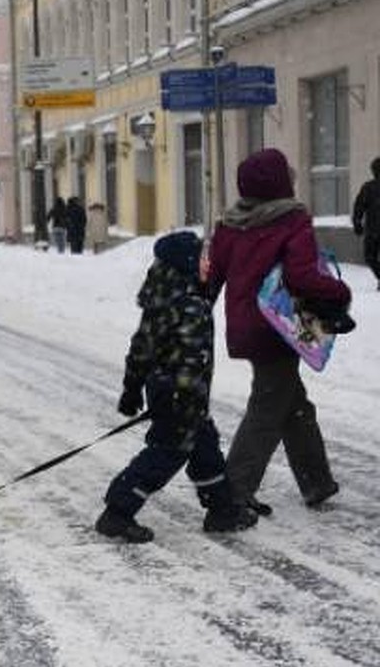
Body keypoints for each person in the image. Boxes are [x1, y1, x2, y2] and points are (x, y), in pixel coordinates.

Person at [206, 148, 352, 514]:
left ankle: (317, 481)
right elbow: (301, 276)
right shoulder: (292, 220)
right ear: (280, 183)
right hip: (280, 327)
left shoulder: (229, 224)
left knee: (292, 402)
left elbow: (212, 277)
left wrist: (192, 312)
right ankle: (234, 491)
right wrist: (339, 292)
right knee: (268, 406)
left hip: (247, 326)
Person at [96, 231, 258, 542]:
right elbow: (189, 362)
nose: (207, 263)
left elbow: (140, 348)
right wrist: (182, 399)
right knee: (166, 453)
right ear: (186, 264)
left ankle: (222, 510)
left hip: (172, 393)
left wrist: (132, 388)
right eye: (202, 258)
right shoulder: (190, 307)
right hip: (182, 396)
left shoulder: (161, 301)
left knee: (204, 446)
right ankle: (117, 511)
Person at [351, 156, 380, 289]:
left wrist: (357, 222)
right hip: (372, 230)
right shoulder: (368, 188)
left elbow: (358, 207)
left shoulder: (368, 187)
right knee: (370, 258)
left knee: (370, 258)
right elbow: (359, 206)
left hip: (372, 230)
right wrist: (357, 222)